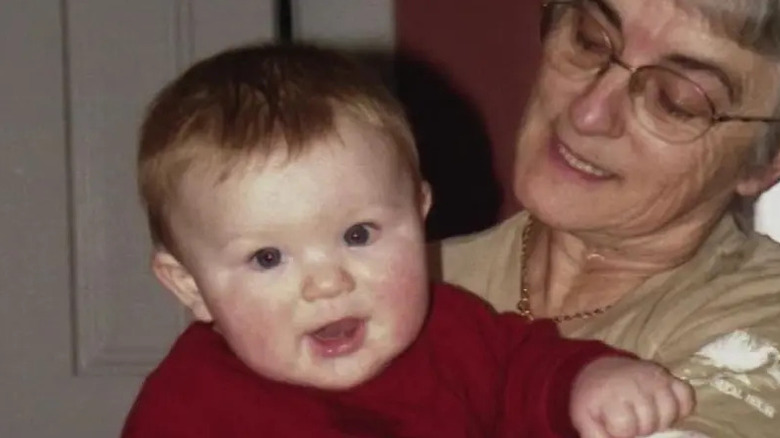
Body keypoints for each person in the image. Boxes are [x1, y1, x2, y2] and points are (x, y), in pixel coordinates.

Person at [121, 43, 694, 438]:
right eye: (267, 257)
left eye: (358, 234)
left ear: (420, 213)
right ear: (189, 285)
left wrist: (589, 383)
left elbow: (529, 368)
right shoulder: (187, 409)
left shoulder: (457, 334)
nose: (328, 283)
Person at [432, 0, 780, 436]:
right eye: (589, 40)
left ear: (765, 163)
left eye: (675, 102)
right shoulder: (394, 281)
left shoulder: (761, 331)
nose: (588, 114)